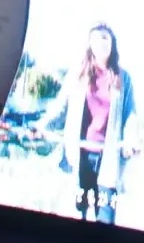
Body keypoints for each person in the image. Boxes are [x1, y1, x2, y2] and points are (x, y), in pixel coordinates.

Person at [56, 25, 137, 226]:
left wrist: (131, 140)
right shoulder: (77, 73)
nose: (102, 43)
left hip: (108, 160)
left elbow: (130, 115)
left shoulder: (122, 78)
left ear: (113, 45)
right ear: (90, 44)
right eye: (97, 38)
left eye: (106, 39)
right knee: (75, 219)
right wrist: (38, 126)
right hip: (79, 156)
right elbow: (59, 107)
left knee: (106, 220)